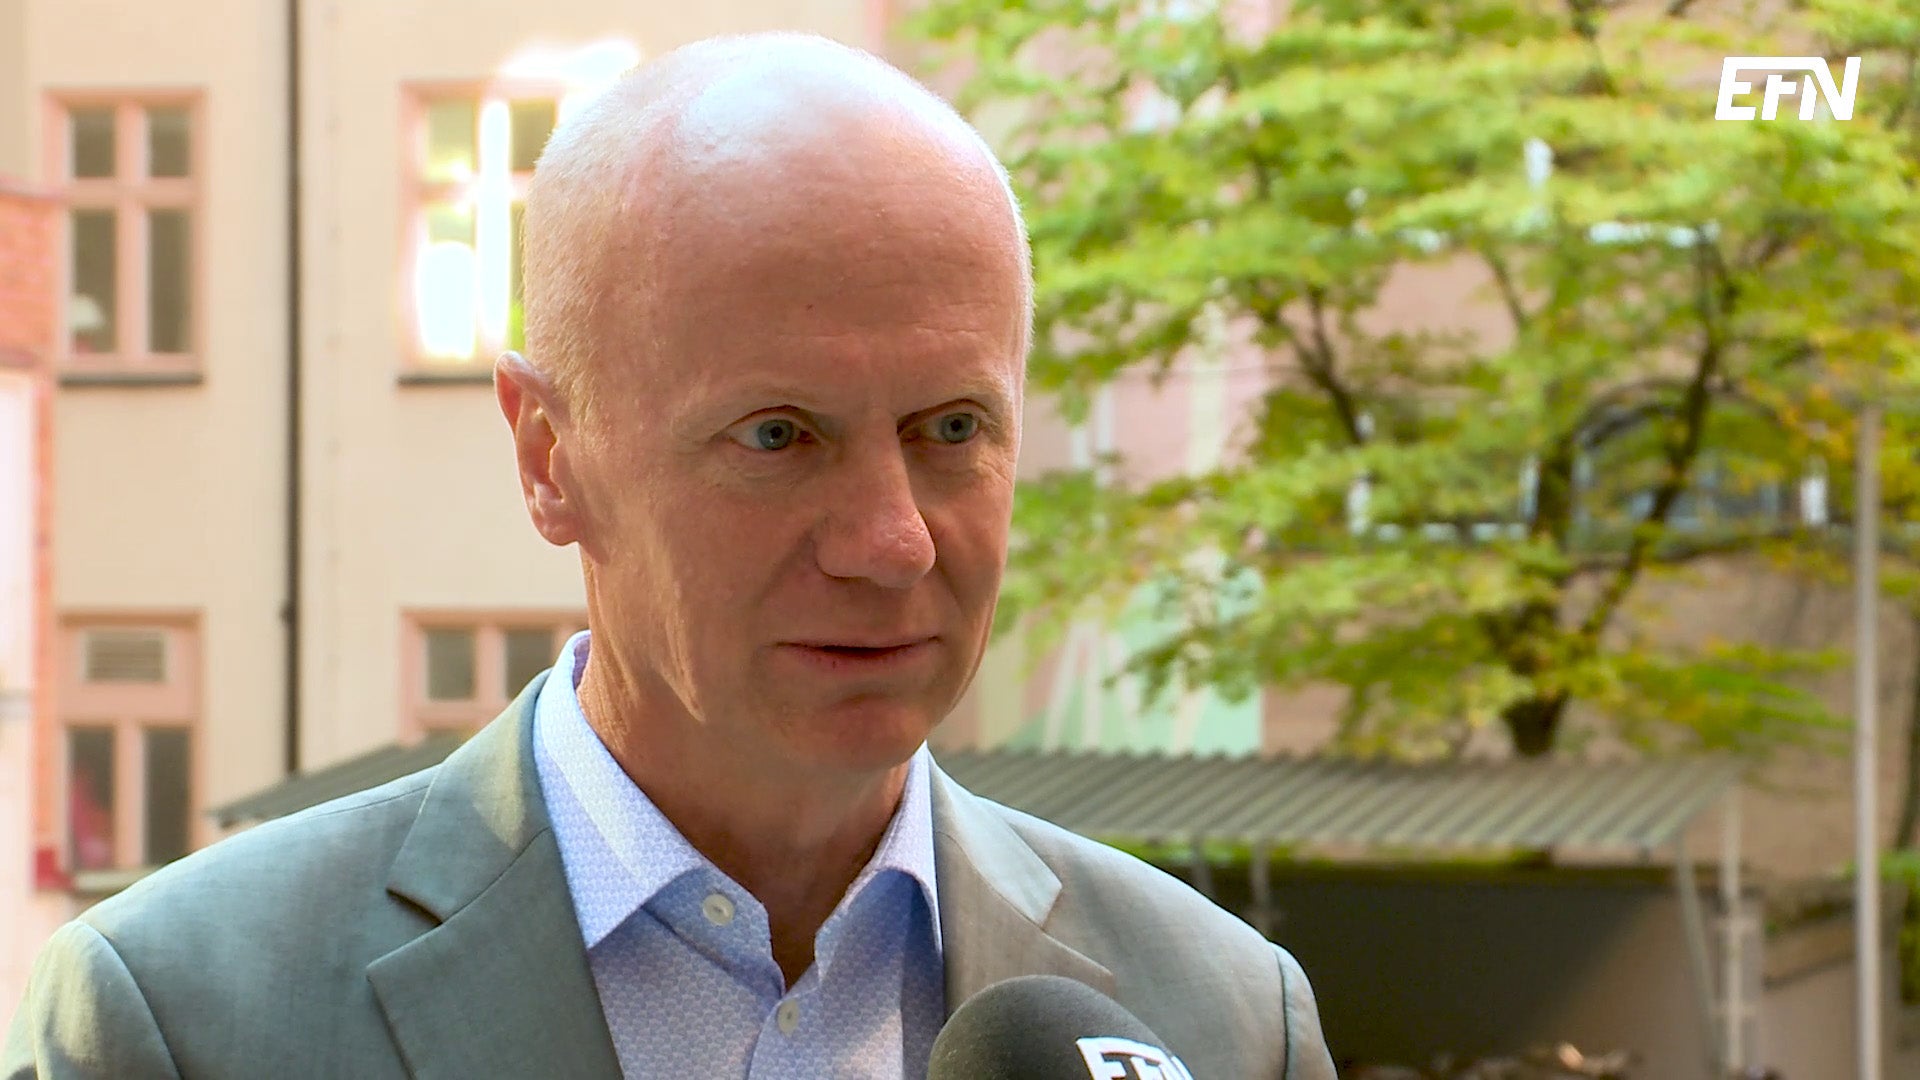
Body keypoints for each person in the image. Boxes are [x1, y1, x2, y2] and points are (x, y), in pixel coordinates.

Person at [4, 32, 1335, 1079]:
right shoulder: (183, 1017)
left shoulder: (1222, 1020)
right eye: (779, 435)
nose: (892, 541)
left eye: (951, 429)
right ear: (548, 456)